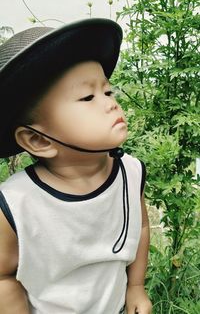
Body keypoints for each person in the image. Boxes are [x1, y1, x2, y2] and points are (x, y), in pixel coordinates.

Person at [0, 18, 152, 314]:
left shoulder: (131, 173)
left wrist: (135, 287)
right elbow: (3, 274)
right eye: (87, 97)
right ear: (37, 140)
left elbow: (142, 226)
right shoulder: (17, 204)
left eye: (108, 92)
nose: (110, 103)